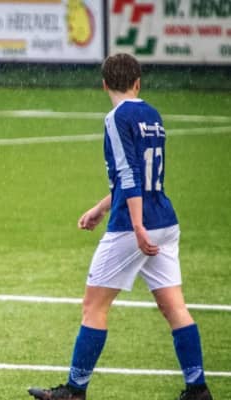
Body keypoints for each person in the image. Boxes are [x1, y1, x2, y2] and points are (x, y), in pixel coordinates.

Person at [28, 54, 212, 400]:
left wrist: (137, 225)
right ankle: (197, 389)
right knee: (174, 307)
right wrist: (101, 207)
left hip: (132, 225)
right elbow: (143, 176)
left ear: (104, 85)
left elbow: (129, 174)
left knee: (94, 306)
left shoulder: (116, 118)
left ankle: (74, 391)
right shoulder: (153, 115)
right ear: (138, 83)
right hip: (165, 220)